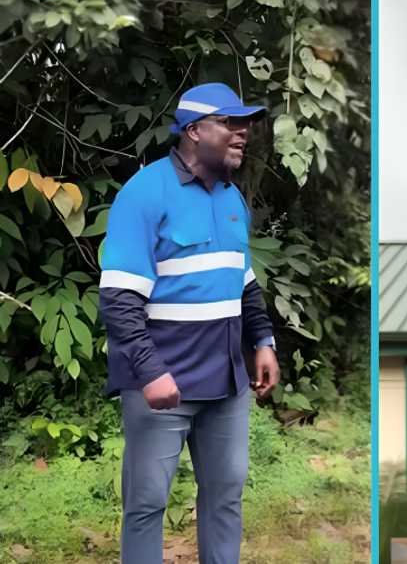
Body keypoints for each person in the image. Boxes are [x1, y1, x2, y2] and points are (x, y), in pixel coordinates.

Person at [99, 82, 281, 563]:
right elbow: (118, 297)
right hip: (163, 384)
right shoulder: (144, 193)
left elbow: (244, 282)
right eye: (230, 123)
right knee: (146, 503)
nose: (242, 134)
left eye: (245, 125)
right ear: (195, 131)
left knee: (225, 497)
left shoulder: (230, 198)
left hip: (227, 383)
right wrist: (150, 372)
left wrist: (262, 342)